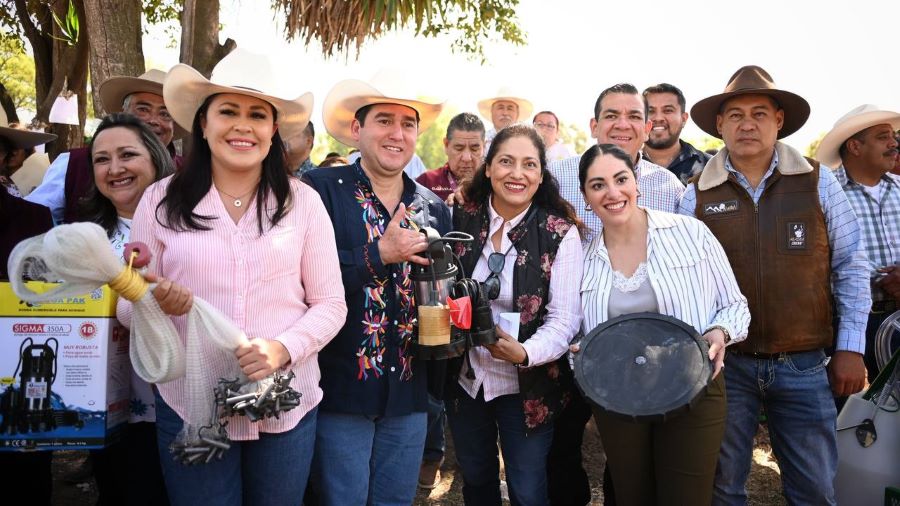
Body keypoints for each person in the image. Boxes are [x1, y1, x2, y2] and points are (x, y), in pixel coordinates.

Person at [117, 49, 347, 505]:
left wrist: (282, 348)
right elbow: (128, 304)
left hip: (284, 399)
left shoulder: (304, 204)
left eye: (257, 115)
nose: (243, 126)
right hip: (191, 403)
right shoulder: (160, 202)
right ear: (203, 124)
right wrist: (153, 301)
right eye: (228, 111)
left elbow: (330, 304)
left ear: (273, 130)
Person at [679, 65, 870, 505]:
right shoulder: (697, 195)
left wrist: (850, 347)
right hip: (728, 365)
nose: (748, 124)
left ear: (779, 120)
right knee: (723, 487)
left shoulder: (818, 182)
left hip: (804, 364)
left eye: (760, 113)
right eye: (736, 114)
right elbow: (685, 280)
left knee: (815, 489)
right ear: (720, 124)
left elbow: (851, 267)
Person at [305, 74, 451, 505]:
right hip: (340, 389)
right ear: (357, 130)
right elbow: (303, 285)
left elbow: (439, 293)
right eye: (384, 121)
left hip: (408, 392)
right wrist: (379, 254)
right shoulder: (318, 192)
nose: (397, 133)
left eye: (407, 124)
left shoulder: (433, 207)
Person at [577, 143, 749, 505]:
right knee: (632, 496)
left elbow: (735, 305)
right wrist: (580, 354)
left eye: (621, 179)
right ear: (585, 196)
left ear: (636, 181)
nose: (612, 192)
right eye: (598, 185)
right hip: (618, 394)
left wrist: (720, 332)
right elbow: (574, 330)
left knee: (686, 498)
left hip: (693, 384)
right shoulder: (582, 257)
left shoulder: (690, 233)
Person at [546, 82, 684, 506]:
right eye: (611, 115)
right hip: (569, 335)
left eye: (633, 116)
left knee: (627, 459)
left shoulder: (669, 187)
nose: (622, 125)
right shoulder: (558, 178)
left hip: (638, 346)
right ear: (593, 124)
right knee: (561, 445)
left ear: (647, 126)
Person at [447, 124, 584, 505]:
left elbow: (564, 319)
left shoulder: (560, 232)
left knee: (527, 487)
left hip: (528, 384)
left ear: (541, 176)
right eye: (506, 162)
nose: (517, 173)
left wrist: (524, 353)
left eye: (529, 165)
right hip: (466, 377)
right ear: (488, 168)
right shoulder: (459, 216)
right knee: (475, 478)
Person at [80, 113, 175, 505]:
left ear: (155, 159)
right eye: (102, 159)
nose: (115, 168)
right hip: (112, 411)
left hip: (185, 405)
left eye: (127, 155)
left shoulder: (198, 230)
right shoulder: (83, 241)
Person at [26, 69, 185, 223]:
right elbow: (33, 219)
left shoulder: (191, 172)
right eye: (143, 109)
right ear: (123, 113)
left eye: (165, 114)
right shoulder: (73, 164)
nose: (153, 120)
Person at [815, 104, 900, 380]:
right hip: (847, 324)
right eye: (882, 137)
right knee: (848, 416)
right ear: (854, 146)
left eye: (893, 136)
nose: (893, 143)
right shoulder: (823, 195)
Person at [642, 83, 712, 184]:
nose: (658, 118)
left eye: (668, 110)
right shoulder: (622, 166)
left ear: (683, 119)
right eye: (650, 111)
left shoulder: (710, 167)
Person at [416, 112, 485, 201]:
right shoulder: (426, 182)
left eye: (474, 149)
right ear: (446, 145)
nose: (467, 158)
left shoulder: (493, 184)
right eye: (459, 148)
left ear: (484, 146)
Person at [0, 111, 56, 196]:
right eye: (10, 147)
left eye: (18, 147)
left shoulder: (44, 179)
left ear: (27, 151)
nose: (13, 152)